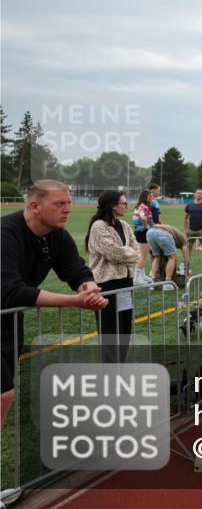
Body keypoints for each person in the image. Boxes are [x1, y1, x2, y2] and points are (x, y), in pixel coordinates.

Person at [1, 180, 108, 426]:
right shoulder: (5, 234)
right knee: (3, 396)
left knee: (4, 395)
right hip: (6, 308)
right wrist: (75, 301)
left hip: (9, 324)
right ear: (35, 206)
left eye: (69, 202)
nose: (68, 209)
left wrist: (89, 288)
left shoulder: (56, 235)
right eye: (60, 203)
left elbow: (77, 271)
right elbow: (12, 292)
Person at [85, 191, 140, 363]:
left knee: (124, 330)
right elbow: (114, 253)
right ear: (113, 206)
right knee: (110, 332)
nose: (127, 206)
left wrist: (127, 253)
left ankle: (119, 369)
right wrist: (127, 253)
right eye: (124, 203)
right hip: (106, 286)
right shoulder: (99, 227)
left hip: (126, 283)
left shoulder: (124, 225)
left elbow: (137, 251)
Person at [184, 188, 202, 272]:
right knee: (188, 250)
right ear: (194, 194)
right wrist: (186, 229)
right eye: (198, 193)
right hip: (191, 231)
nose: (199, 194)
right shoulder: (189, 206)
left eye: (201, 193)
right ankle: (186, 268)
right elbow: (185, 218)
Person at [131, 189, 154, 284]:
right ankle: (136, 278)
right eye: (150, 196)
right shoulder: (144, 207)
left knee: (143, 255)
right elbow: (144, 218)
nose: (152, 198)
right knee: (142, 256)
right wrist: (146, 227)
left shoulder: (140, 206)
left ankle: (142, 275)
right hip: (142, 232)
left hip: (139, 232)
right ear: (146, 197)